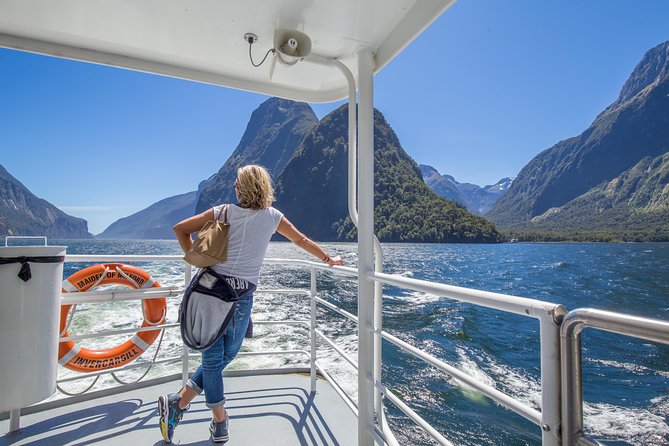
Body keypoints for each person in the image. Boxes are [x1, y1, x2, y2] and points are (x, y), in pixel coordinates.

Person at [158, 164, 344, 444]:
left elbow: (180, 230)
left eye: (236, 183)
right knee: (213, 361)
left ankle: (179, 402)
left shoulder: (242, 214)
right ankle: (220, 422)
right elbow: (301, 240)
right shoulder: (255, 215)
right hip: (223, 296)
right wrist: (328, 258)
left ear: (242, 188)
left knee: (224, 357)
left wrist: (197, 258)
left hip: (230, 297)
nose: (234, 187)